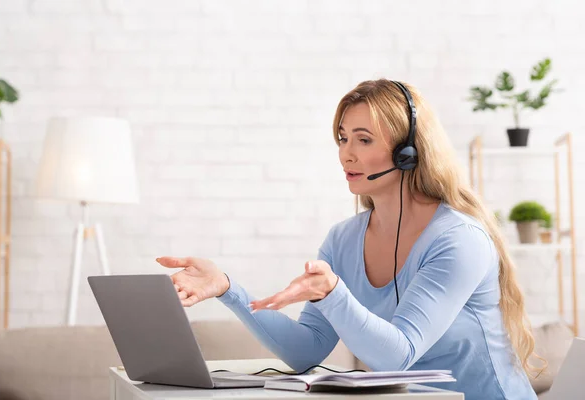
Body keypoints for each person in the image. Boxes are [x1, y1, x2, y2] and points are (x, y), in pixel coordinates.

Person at [156, 79, 540, 399]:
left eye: (363, 140)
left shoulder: (458, 239)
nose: (346, 155)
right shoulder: (343, 239)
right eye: (342, 139)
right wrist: (227, 288)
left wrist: (333, 292)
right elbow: (306, 350)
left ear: (408, 151)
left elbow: (397, 357)